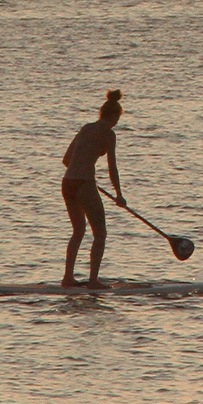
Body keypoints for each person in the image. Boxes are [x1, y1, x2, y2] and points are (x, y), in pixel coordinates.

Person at [61, 88, 127, 288]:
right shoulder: (109, 133)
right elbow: (112, 167)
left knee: (78, 231)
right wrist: (119, 195)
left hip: (68, 182)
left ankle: (68, 278)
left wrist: (83, 173)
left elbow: (66, 160)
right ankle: (93, 281)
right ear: (114, 116)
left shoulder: (86, 127)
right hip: (83, 183)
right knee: (100, 233)